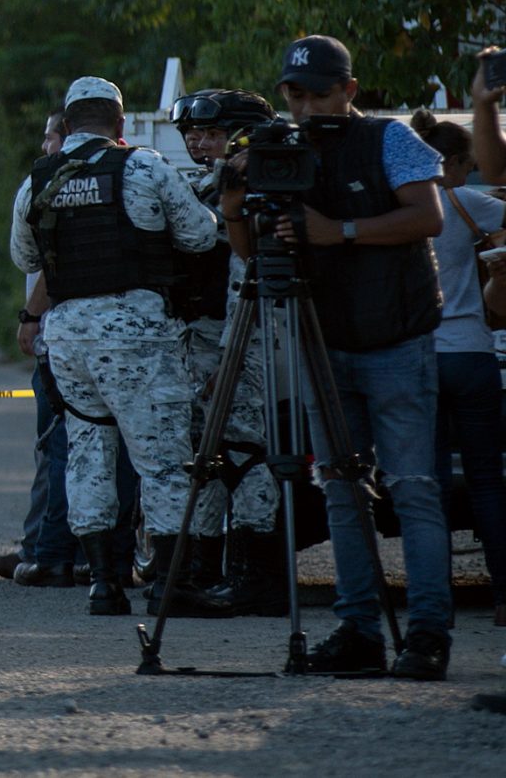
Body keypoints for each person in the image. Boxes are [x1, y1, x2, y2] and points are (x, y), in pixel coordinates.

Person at [214, 36, 449, 680]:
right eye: (296, 94)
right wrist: (236, 207)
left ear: (349, 90)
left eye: (321, 93)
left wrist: (338, 231)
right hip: (322, 342)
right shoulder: (277, 150)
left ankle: (427, 634)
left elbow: (428, 218)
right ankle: (358, 631)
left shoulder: (389, 140)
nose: (308, 106)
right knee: (342, 492)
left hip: (397, 339)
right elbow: (251, 256)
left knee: (413, 489)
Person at [9, 76, 216, 619]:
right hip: (137, 336)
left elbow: (25, 259)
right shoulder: (143, 166)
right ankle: (172, 587)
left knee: (88, 455)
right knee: (164, 461)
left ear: (69, 123)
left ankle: (104, 584)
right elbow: (200, 234)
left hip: (69, 339)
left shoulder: (39, 179)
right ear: (120, 124)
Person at [166, 89, 286, 617]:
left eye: (212, 134)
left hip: (248, 340)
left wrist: (229, 361)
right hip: (201, 341)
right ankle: (201, 569)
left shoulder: (259, 190)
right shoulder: (195, 188)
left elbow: (247, 279)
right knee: (203, 457)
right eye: (191, 134)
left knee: (245, 453)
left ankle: (255, 575)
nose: (199, 142)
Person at [413, 111, 506, 626]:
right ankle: (503, 597)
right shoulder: (466, 202)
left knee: (429, 484)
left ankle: (434, 600)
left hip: (422, 356)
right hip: (472, 352)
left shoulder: (405, 208)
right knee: (487, 479)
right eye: (468, 165)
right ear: (448, 163)